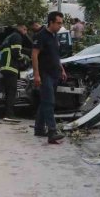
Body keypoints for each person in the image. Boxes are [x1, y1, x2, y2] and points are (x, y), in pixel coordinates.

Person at [32, 11, 67, 144]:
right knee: (49, 102)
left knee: (45, 101)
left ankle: (39, 128)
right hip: (44, 74)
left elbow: (56, 56)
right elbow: (34, 55)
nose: (60, 25)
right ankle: (52, 132)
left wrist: (62, 69)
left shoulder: (55, 36)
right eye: (58, 23)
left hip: (55, 74)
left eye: (61, 23)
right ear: (51, 22)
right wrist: (36, 74)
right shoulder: (41, 36)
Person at [0, 24, 29, 123]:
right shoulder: (17, 36)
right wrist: (24, 59)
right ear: (19, 28)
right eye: (25, 29)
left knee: (8, 92)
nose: (26, 32)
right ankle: (9, 115)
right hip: (11, 67)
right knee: (12, 92)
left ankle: (6, 113)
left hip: (5, 67)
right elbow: (17, 52)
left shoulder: (8, 37)